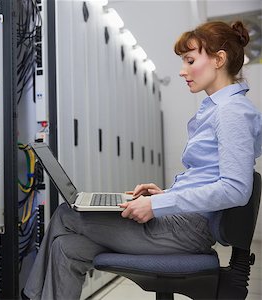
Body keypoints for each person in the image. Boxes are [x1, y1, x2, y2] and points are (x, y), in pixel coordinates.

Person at [22, 20, 261, 300]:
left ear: (219, 59)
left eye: (190, 60)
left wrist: (158, 204)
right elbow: (209, 176)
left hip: (189, 230)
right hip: (183, 220)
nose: (182, 71)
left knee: (67, 214)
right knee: (67, 247)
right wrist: (167, 194)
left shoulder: (232, 112)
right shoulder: (220, 109)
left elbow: (235, 189)